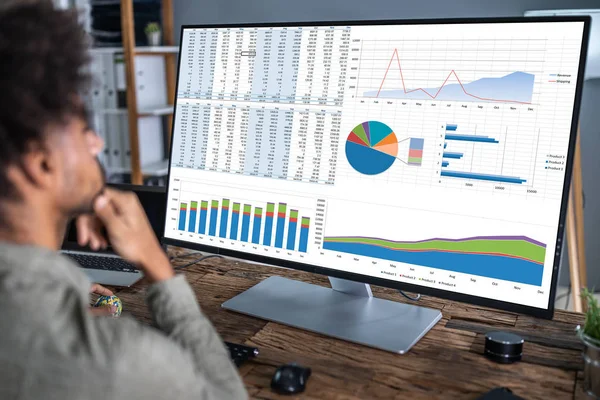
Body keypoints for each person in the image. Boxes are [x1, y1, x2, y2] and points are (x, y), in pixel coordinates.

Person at [0, 1, 247, 399]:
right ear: (40, 163)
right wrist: (158, 268)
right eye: (83, 127)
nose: (96, 142)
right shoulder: (118, 359)